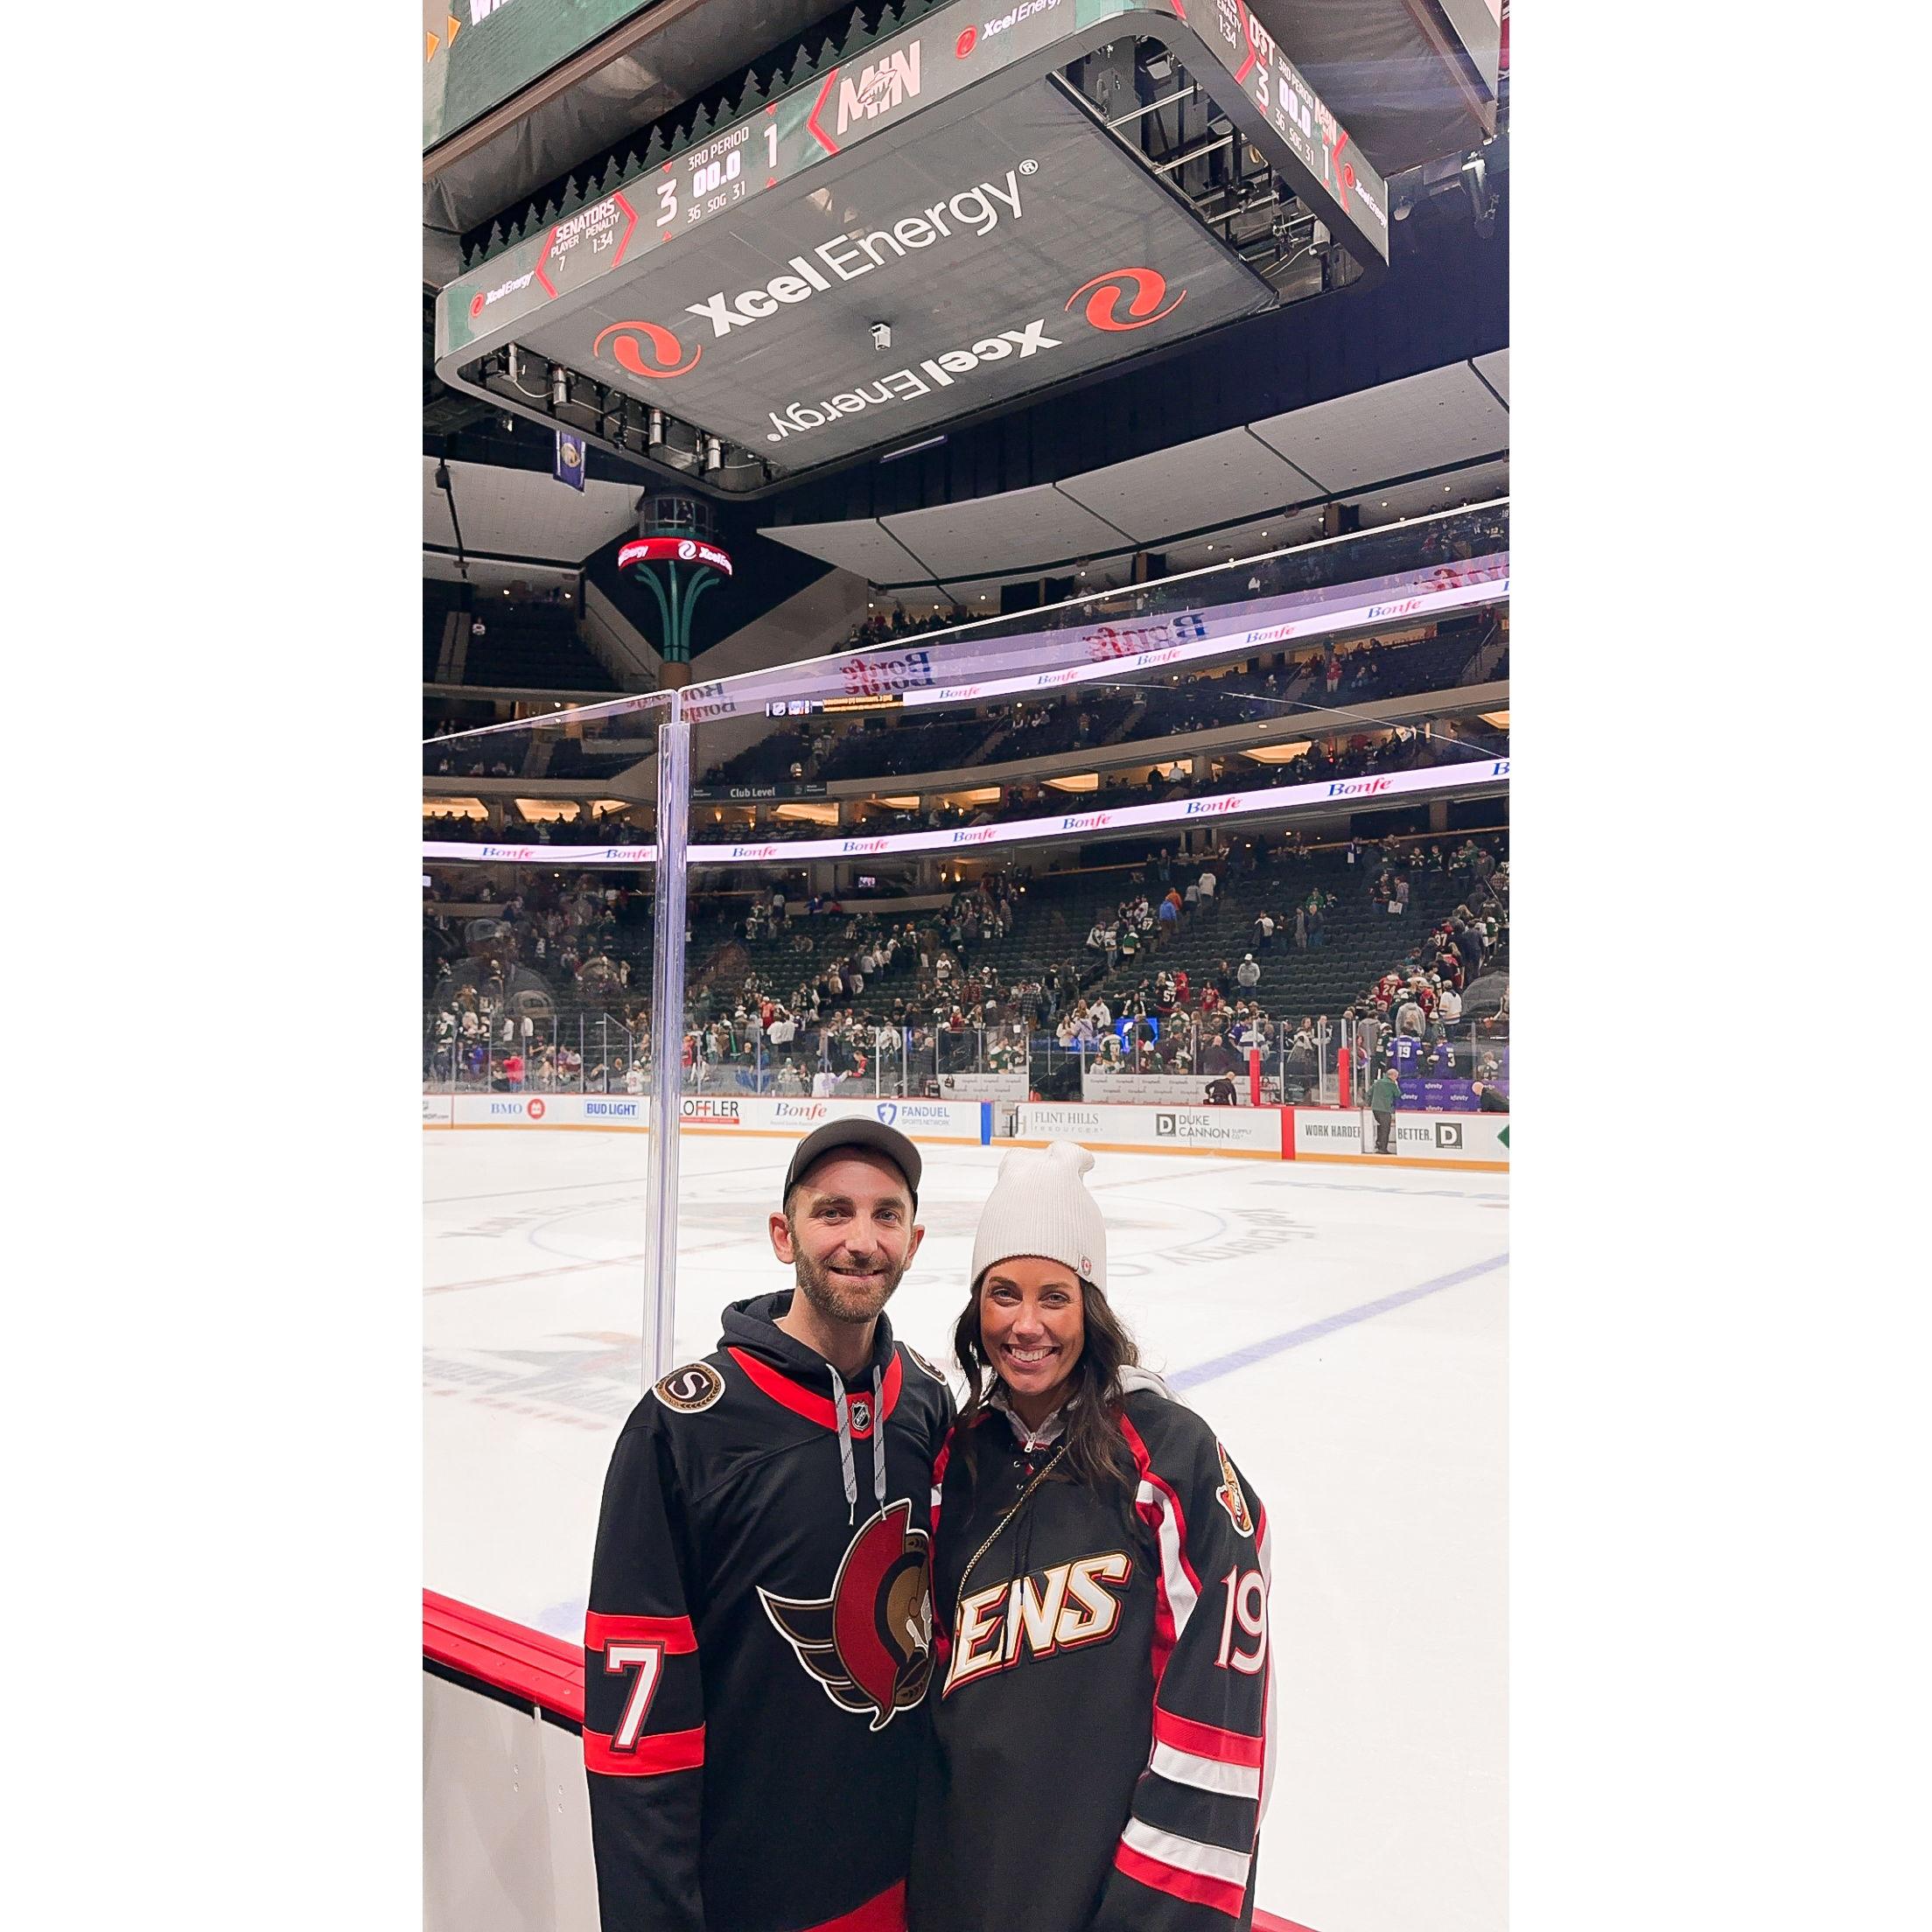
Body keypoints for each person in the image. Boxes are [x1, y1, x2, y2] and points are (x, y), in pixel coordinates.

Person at [584, 1121, 956, 1932]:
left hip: (911, 1887)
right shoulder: (684, 1431)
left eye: (886, 1215)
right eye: (833, 1212)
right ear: (784, 1235)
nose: (862, 1241)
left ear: (914, 1241)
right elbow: (636, 1725)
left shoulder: (927, 1404)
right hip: (753, 1899)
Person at [910, 1143, 1270, 1932]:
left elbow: (1220, 1715)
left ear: (1091, 1308)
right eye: (1003, 1294)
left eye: (1055, 1297)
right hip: (962, 1888)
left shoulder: (1170, 1458)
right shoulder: (956, 1461)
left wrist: (1159, 1912)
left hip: (1114, 1899)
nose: (1026, 1325)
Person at [1369, 1063, 1401, 1155]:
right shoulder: (1392, 1084)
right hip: (1384, 1109)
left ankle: (1379, 1144)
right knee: (1385, 1128)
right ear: (1392, 1076)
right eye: (1396, 1077)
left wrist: (1370, 1104)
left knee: (1380, 1126)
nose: (1396, 1078)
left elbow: (1370, 1093)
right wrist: (1396, 1085)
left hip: (1375, 1109)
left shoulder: (1377, 1082)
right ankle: (1383, 1148)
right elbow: (1398, 1094)